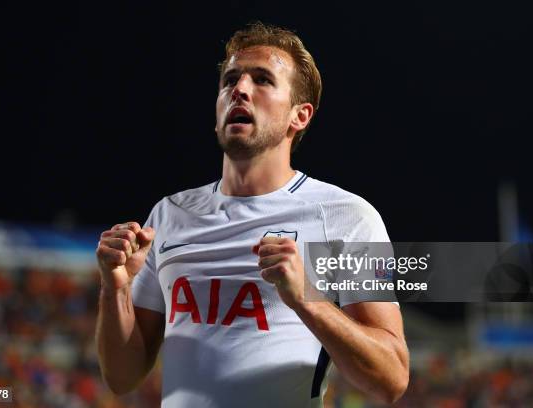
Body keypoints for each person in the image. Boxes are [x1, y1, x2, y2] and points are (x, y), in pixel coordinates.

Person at [96, 22, 409, 407]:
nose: (239, 90)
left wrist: (306, 300)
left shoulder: (346, 217)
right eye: (230, 81)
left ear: (300, 116)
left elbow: (391, 378)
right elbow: (122, 376)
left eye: (262, 80)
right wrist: (116, 288)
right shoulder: (168, 214)